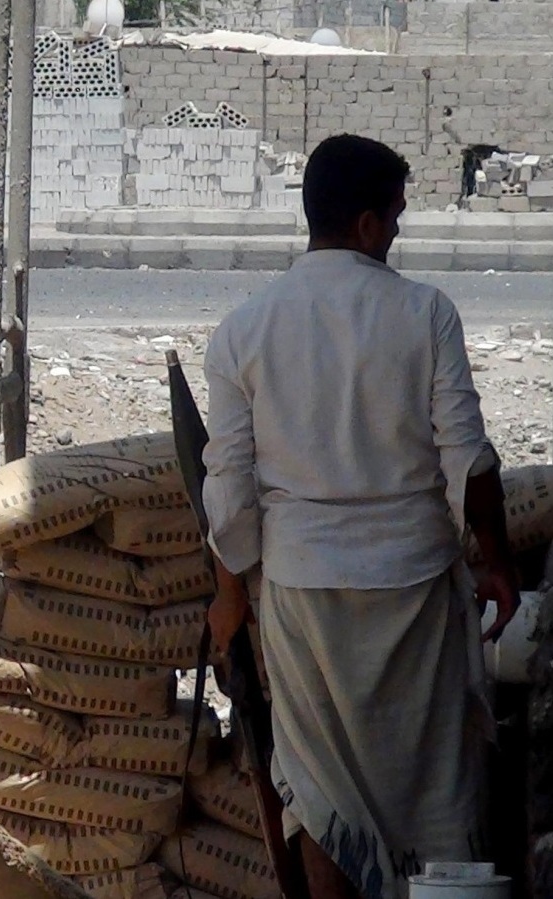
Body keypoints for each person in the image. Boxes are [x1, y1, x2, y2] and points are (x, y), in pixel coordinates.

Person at [201, 133, 521, 899]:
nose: (397, 231)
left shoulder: (243, 330)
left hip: (303, 595)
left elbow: (229, 493)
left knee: (322, 798)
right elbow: (469, 462)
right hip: (415, 594)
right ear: (369, 224)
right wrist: (496, 562)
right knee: (436, 788)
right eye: (397, 216)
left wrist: (229, 593)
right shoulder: (425, 313)